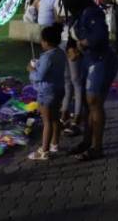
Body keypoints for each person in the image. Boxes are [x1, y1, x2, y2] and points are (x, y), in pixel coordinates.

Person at [62, 0, 118, 161]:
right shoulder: (77, 16)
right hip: (89, 61)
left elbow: (100, 35)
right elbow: (72, 37)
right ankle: (87, 141)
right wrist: (72, 48)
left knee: (94, 102)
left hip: (101, 60)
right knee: (88, 104)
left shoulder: (92, 13)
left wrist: (82, 44)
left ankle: (97, 147)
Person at [56, 0, 90, 137]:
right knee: (66, 79)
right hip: (64, 38)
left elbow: (84, 14)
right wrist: (65, 18)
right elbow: (57, 15)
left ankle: (78, 117)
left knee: (77, 80)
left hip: (75, 40)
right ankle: (64, 113)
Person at [27, 24, 69, 160]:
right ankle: (54, 144)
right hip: (59, 89)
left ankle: (44, 150)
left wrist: (31, 70)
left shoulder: (47, 57)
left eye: (42, 40)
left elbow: (40, 76)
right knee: (55, 118)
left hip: (47, 92)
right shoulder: (61, 53)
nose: (41, 43)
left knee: (47, 122)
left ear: (46, 41)